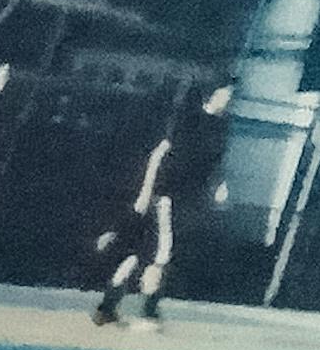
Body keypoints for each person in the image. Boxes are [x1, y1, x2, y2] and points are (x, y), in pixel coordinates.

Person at [94, 78, 235, 330]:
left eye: (230, 94)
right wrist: (146, 192)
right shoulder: (188, 120)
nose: (228, 98)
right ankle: (148, 311)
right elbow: (158, 155)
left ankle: (107, 308)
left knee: (139, 253)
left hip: (184, 199)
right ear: (210, 95)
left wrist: (219, 185)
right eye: (224, 93)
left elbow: (214, 164)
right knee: (162, 254)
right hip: (165, 196)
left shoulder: (220, 127)